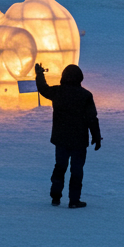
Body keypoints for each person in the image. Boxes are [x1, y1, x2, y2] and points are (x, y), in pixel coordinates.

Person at [35, 63, 102, 208]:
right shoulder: (85, 95)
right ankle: (74, 200)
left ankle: (55, 197)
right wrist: (96, 137)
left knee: (60, 167)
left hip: (61, 139)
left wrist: (40, 75)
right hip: (79, 140)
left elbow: (43, 89)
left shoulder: (58, 92)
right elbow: (92, 118)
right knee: (76, 170)